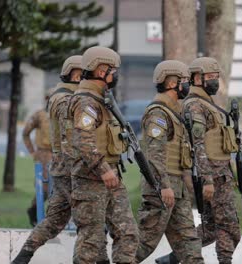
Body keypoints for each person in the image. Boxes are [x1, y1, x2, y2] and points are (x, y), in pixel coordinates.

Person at [12, 56, 110, 264]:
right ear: (75, 74)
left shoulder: (60, 97)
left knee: (54, 220)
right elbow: (75, 137)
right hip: (70, 168)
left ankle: (22, 258)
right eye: (82, 74)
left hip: (60, 166)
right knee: (90, 222)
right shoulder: (68, 100)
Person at [157, 57, 241, 264]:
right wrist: (207, 179)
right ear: (197, 78)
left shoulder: (208, 104)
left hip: (221, 172)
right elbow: (198, 143)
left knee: (211, 228)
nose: (214, 81)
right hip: (213, 174)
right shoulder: (195, 105)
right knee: (229, 226)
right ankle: (224, 261)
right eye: (210, 77)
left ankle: (175, 258)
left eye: (216, 77)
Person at [69, 46, 139, 264]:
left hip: (111, 178)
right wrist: (103, 169)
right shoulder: (86, 101)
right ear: (101, 71)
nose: (115, 75)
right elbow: (84, 140)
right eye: (113, 70)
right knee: (91, 244)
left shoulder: (102, 99)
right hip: (91, 179)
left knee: (128, 233)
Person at [135, 60, 204, 264]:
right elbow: (154, 155)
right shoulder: (159, 113)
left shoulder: (175, 112)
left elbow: (181, 153)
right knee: (143, 244)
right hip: (161, 188)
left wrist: (187, 181)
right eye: (184, 81)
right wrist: (164, 186)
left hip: (178, 189)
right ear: (172, 83)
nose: (187, 85)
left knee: (189, 243)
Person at [22, 92, 52, 227]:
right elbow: (25, 132)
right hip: (44, 155)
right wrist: (32, 152)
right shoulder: (40, 115)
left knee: (60, 189)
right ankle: (34, 212)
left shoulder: (65, 114)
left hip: (61, 155)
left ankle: (53, 220)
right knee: (44, 189)